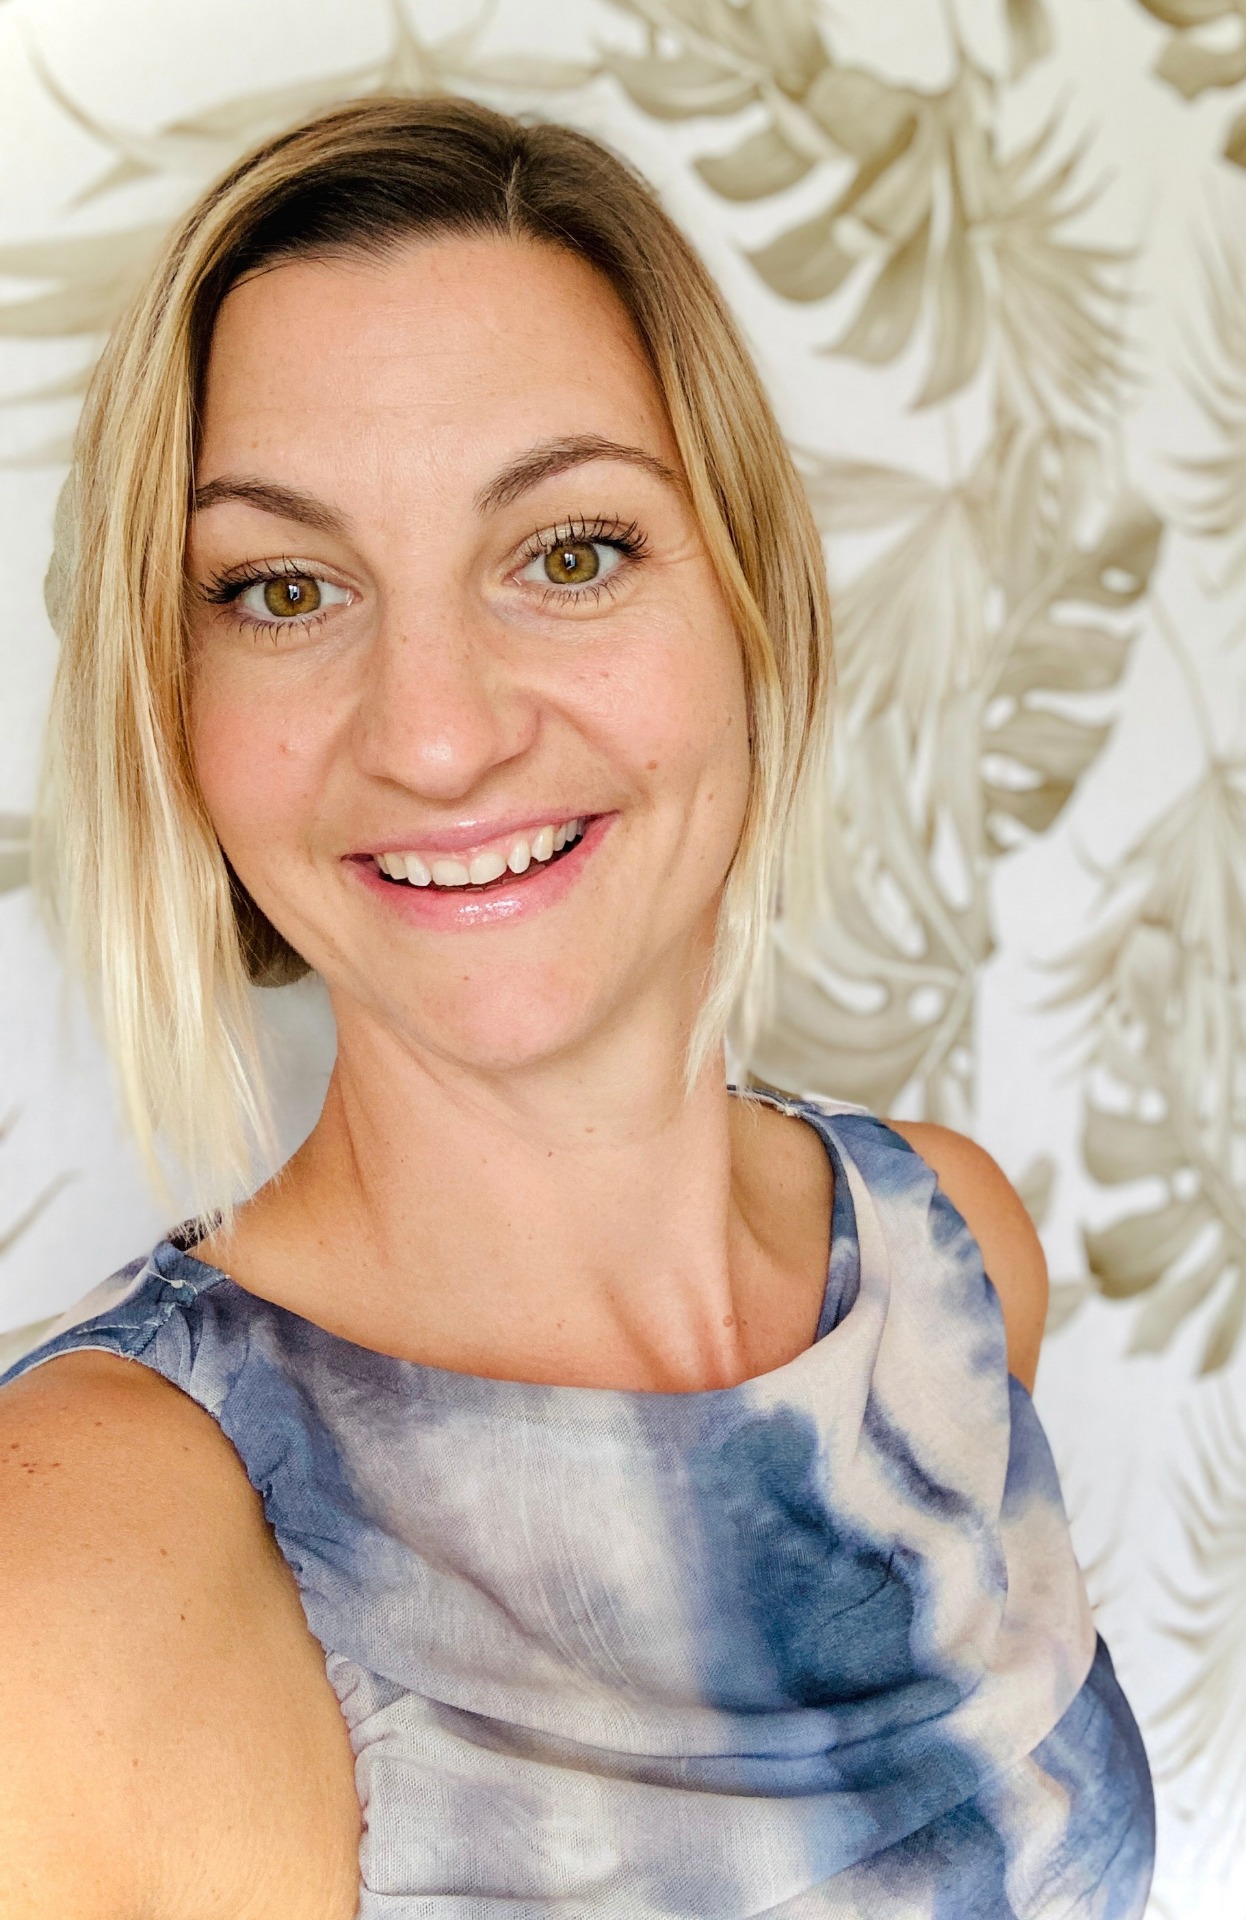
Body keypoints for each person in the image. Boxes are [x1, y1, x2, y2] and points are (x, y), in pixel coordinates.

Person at [0, 98, 1153, 1919]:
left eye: (567, 553)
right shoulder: (86, 1552)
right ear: (175, 703)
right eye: (284, 589)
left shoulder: (944, 1246)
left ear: (751, 607)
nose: (437, 733)